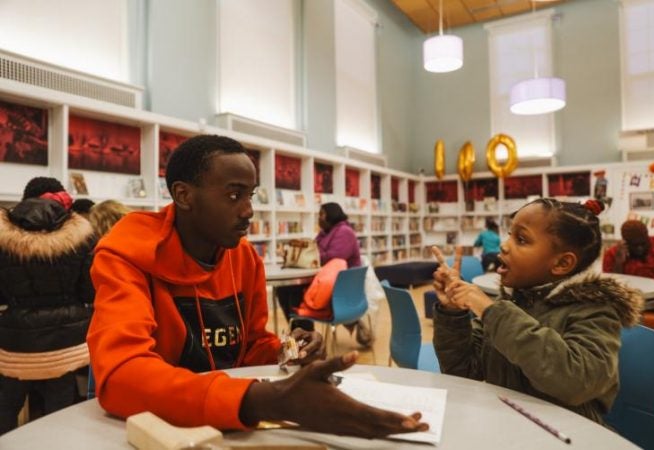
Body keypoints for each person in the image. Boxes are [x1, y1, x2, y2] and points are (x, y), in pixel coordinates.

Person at [86, 135, 427, 437]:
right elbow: (120, 377)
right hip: (154, 433)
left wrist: (289, 349)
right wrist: (270, 401)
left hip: (232, 427)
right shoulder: (126, 257)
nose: (249, 210)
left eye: (250, 195)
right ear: (184, 195)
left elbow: (249, 346)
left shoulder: (244, 257)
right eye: (234, 195)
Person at [431, 198, 642, 424]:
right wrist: (453, 314)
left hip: (569, 433)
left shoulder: (595, 310)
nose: (504, 245)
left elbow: (576, 382)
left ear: (562, 264)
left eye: (521, 239)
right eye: (510, 233)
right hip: (510, 424)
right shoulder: (510, 302)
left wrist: (491, 311)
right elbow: (463, 371)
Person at [0, 177, 96, 434]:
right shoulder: (81, 234)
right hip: (64, 343)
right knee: (60, 415)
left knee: (5, 410)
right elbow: (89, 290)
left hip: (14, 342)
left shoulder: (3, 234)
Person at [277, 203, 371, 345]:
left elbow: (334, 258)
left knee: (294, 291)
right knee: (284, 288)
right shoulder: (325, 233)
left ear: (331, 215)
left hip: (341, 291)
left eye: (321, 214)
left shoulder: (345, 232)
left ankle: (306, 340)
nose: (319, 218)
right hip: (328, 283)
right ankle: (300, 334)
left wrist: (307, 254)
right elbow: (315, 253)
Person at [603, 220, 654, 367]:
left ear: (648, 237)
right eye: (634, 245)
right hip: (631, 301)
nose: (640, 248)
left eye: (643, 243)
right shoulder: (613, 254)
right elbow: (611, 285)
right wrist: (619, 262)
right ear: (625, 243)